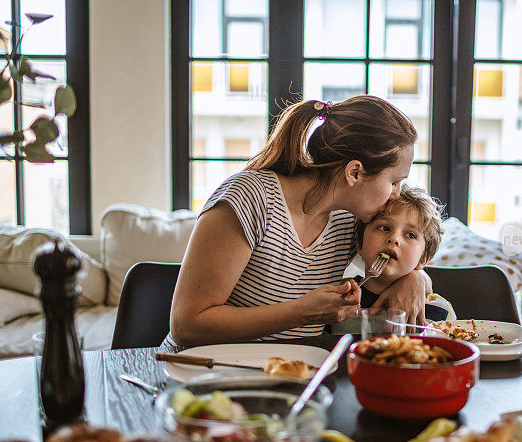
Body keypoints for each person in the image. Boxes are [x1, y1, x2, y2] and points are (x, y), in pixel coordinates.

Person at [166, 95, 431, 347]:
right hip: (206, 373)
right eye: (394, 181)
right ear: (355, 173)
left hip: (289, 373)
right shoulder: (250, 198)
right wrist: (301, 313)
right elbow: (187, 326)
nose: (396, 194)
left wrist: (416, 280)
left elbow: (400, 256)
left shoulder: (350, 219)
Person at [354, 184, 456, 322]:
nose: (394, 238)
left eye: (410, 235)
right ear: (359, 244)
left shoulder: (439, 311)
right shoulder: (340, 297)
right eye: (384, 227)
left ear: (423, 260)